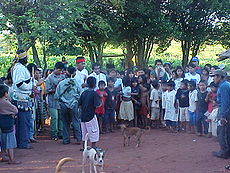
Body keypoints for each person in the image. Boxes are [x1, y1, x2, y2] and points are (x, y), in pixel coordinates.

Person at [11, 50, 33, 149]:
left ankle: (22, 141)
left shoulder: (18, 68)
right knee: (23, 122)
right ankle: (23, 143)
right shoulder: (19, 69)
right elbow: (19, 83)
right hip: (21, 98)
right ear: (24, 58)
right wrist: (29, 87)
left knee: (23, 122)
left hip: (23, 98)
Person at [55, 66, 82, 145]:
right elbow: (80, 93)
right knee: (75, 121)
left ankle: (66, 139)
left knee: (65, 122)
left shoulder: (61, 83)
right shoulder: (76, 83)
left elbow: (56, 96)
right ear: (74, 73)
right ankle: (79, 139)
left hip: (64, 104)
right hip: (74, 104)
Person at [0, 84, 20, 164]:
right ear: (5, 94)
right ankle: (11, 159)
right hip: (7, 122)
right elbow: (15, 110)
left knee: (2, 141)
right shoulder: (5, 102)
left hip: (1, 122)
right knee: (10, 142)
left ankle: (3, 156)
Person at [79, 77, 101, 149]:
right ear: (95, 84)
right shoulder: (94, 94)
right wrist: (101, 99)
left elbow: (80, 104)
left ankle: (84, 146)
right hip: (91, 115)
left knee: (84, 131)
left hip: (83, 115)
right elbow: (97, 105)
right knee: (94, 130)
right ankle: (93, 146)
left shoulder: (84, 93)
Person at [212, 70, 230, 159]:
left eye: (215, 76)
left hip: (226, 112)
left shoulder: (224, 86)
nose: (213, 78)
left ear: (219, 77)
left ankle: (224, 151)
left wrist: (223, 116)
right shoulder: (224, 85)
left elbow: (225, 103)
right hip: (226, 111)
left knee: (222, 132)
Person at [45, 62, 65, 140]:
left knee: (61, 117)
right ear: (55, 69)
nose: (60, 72)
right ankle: (54, 133)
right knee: (54, 117)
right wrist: (55, 89)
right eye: (59, 70)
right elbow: (46, 90)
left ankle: (61, 132)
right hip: (52, 100)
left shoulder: (63, 77)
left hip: (61, 100)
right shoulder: (49, 78)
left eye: (61, 70)